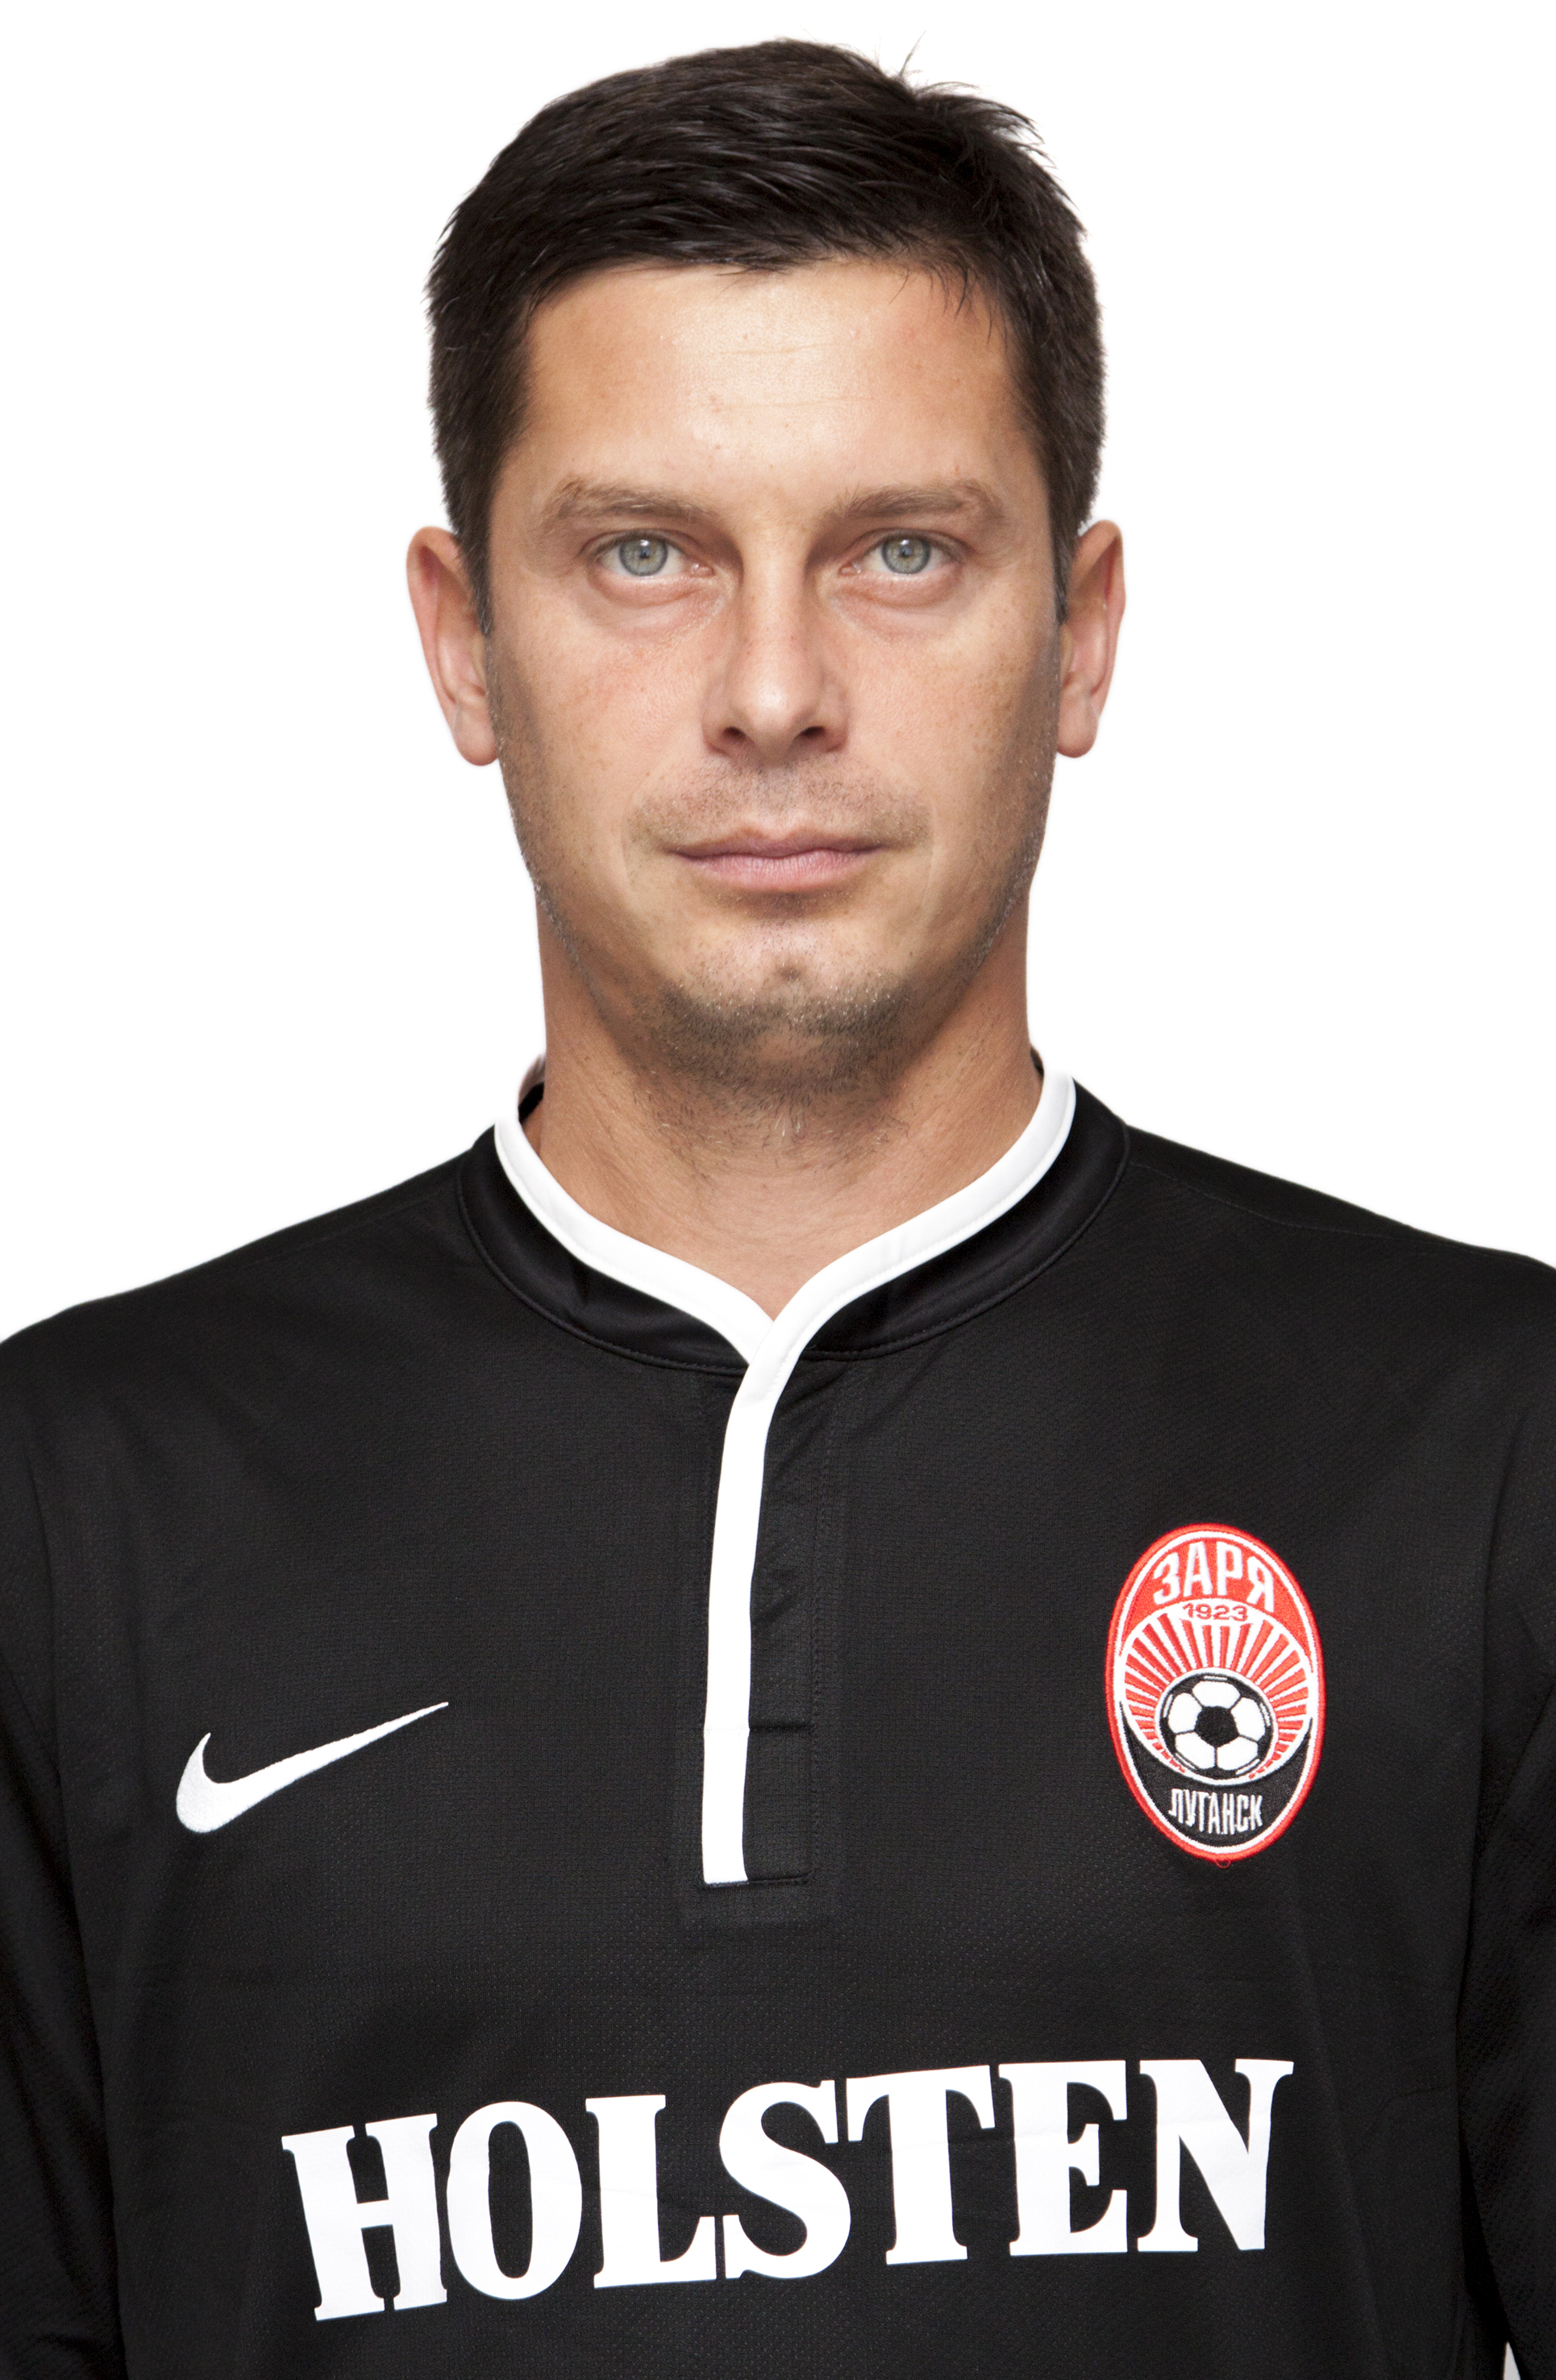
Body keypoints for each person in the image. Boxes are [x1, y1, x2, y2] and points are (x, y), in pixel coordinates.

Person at [0, 37, 1549, 2378]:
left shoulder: (1489, 1452)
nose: (773, 690)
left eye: (900, 550)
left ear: (1081, 630)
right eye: (644, 554)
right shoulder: (80, 1506)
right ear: (463, 641)